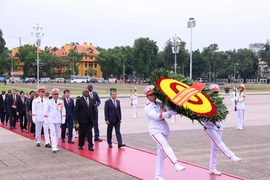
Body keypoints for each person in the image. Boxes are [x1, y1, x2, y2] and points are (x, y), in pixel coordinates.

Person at [144, 85, 185, 180]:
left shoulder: (160, 104)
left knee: (161, 154)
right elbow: (155, 116)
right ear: (147, 97)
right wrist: (168, 113)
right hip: (155, 130)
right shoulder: (147, 107)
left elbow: (170, 113)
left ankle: (158, 175)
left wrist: (179, 109)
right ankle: (175, 164)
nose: (153, 96)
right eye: (150, 95)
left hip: (164, 129)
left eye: (154, 94)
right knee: (164, 145)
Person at [204, 84, 242, 176]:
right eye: (213, 92)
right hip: (208, 126)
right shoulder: (204, 102)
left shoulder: (219, 102)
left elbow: (222, 113)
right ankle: (231, 156)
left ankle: (212, 168)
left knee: (215, 148)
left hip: (218, 126)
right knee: (218, 141)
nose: (215, 94)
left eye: (216, 92)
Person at [44, 88, 66, 152]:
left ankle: (55, 145)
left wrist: (63, 118)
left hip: (58, 119)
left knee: (57, 133)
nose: (55, 95)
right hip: (51, 119)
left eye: (57, 94)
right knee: (53, 133)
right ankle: (53, 146)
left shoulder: (61, 102)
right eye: (54, 94)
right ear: (52, 95)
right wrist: (46, 120)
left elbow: (63, 110)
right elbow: (46, 111)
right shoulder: (49, 102)